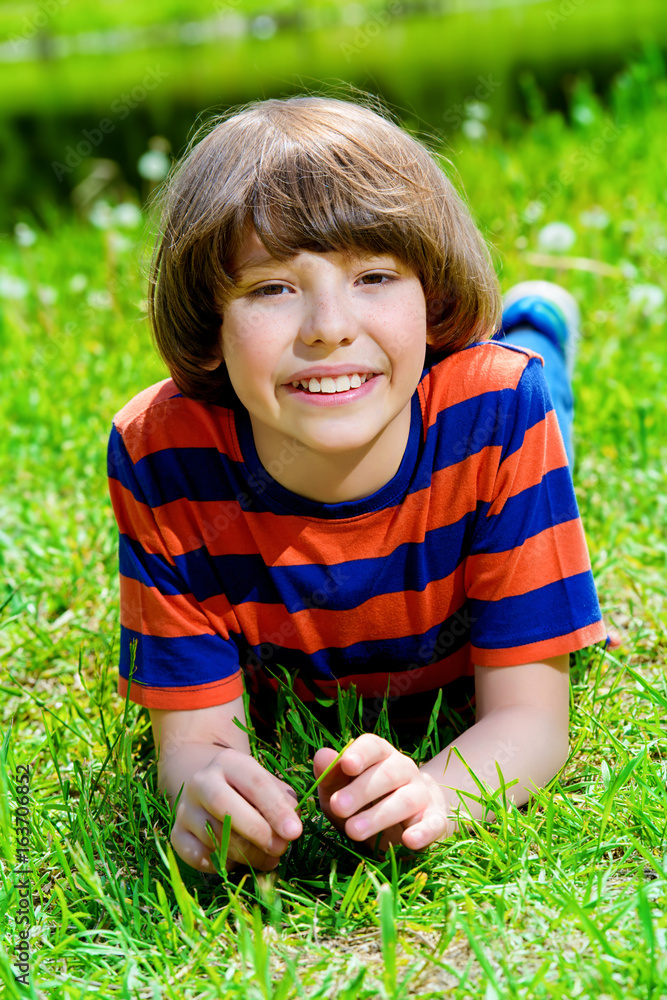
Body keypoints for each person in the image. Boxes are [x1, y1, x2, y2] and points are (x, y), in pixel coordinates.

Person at [107, 95, 609, 875]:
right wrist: (204, 789)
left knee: (539, 406)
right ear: (208, 324)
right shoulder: (160, 459)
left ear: (433, 297)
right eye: (272, 287)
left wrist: (439, 792)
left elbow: (530, 721)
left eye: (374, 275)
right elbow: (195, 745)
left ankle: (537, 329)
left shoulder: (498, 411)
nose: (328, 327)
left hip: (490, 418)